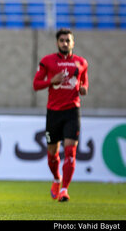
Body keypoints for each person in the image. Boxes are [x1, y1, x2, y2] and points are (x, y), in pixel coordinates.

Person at [33, 28, 89, 202]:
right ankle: (57, 179)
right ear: (57, 43)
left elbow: (84, 81)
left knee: (71, 151)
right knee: (52, 154)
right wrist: (52, 81)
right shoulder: (47, 61)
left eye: (68, 40)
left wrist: (84, 88)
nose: (65, 43)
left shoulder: (81, 63)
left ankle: (64, 189)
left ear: (73, 43)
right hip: (54, 113)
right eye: (62, 40)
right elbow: (36, 84)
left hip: (72, 111)